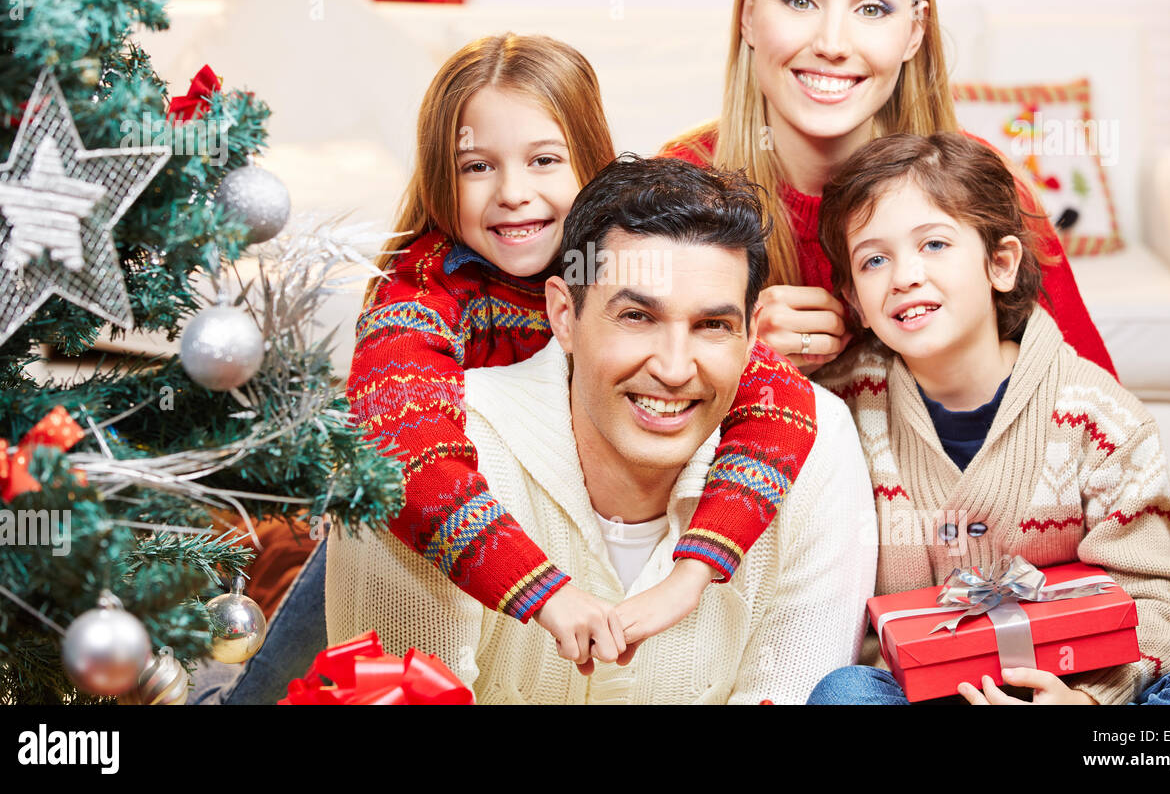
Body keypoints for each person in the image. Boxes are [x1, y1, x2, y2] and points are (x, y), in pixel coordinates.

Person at [658, 0, 1170, 657]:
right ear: (747, 13)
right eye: (799, 0)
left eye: (872, 8)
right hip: (782, 591)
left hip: (1006, 594)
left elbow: (1092, 396)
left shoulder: (985, 191)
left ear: (915, 30)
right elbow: (606, 428)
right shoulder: (676, 194)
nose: (833, 39)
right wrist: (731, 356)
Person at [327, 156, 877, 703]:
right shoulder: (419, 466)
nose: (674, 367)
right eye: (637, 317)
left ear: (753, 332)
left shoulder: (818, 444)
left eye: (713, 325)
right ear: (564, 316)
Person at [805, 132, 1170, 704]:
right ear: (854, 298)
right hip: (926, 691)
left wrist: (1092, 699)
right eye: (875, 259)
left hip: (1082, 688)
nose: (904, 276)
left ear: (1000, 263)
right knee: (844, 693)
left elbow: (1160, 599)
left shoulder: (1098, 416)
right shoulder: (841, 406)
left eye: (935, 245)